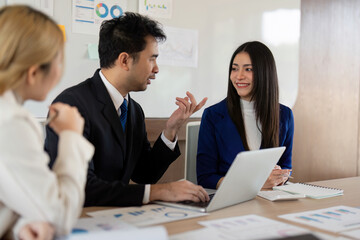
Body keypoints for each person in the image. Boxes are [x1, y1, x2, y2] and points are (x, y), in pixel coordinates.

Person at [45, 12, 209, 207]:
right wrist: (162, 191)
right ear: (124, 60)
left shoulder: (133, 110)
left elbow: (144, 174)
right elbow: (82, 187)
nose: (156, 68)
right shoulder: (72, 105)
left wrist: (171, 130)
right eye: (152, 59)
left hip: (116, 218)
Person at [0, 5, 94, 239]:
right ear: (33, 73)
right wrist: (71, 136)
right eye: (59, 62)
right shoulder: (11, 121)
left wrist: (18, 225)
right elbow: (59, 216)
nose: (60, 71)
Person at [197, 41, 294, 190]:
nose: (239, 76)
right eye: (234, 69)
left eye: (248, 69)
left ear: (265, 73)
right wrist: (255, 184)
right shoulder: (213, 116)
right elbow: (205, 177)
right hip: (229, 201)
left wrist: (279, 177)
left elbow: (286, 167)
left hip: (270, 200)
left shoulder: (285, 115)